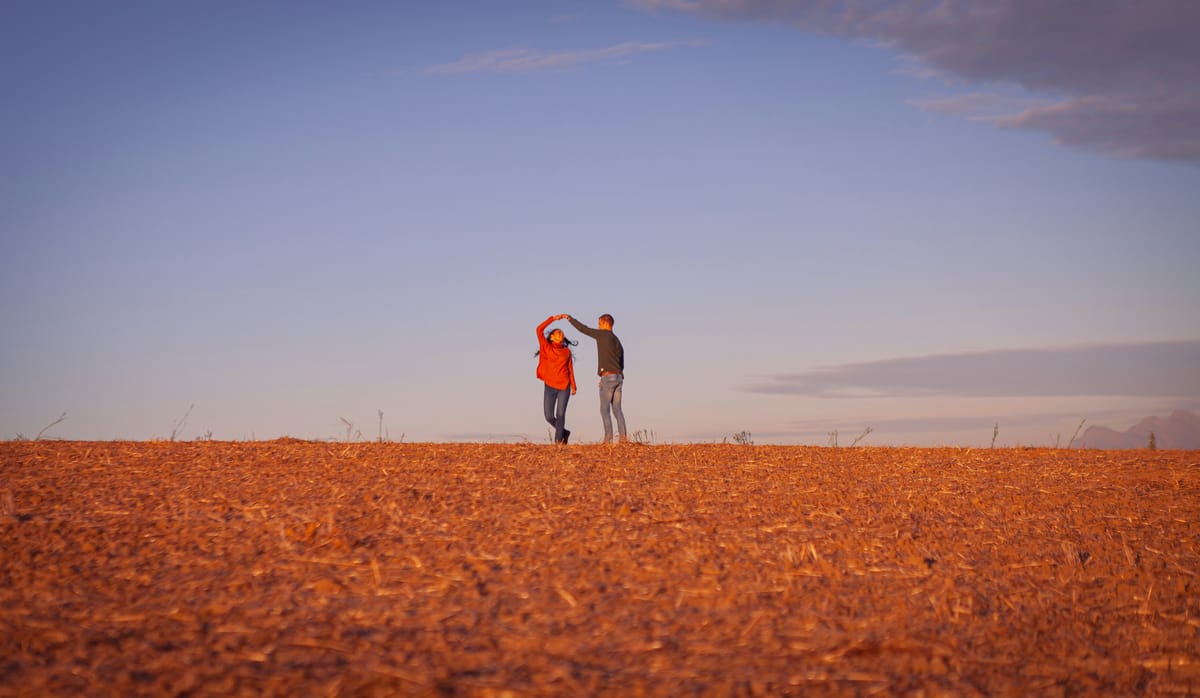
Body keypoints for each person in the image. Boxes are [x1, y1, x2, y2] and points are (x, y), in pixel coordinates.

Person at [567, 313, 626, 444]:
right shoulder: (617, 341)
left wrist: (570, 319)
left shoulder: (602, 334)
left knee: (604, 409)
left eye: (599, 324)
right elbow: (622, 361)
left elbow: (584, 329)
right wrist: (618, 374)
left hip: (608, 377)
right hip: (618, 377)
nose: (598, 327)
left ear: (605, 323)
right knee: (617, 409)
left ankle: (608, 438)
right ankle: (623, 438)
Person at [535, 314, 577, 444]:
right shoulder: (546, 347)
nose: (561, 334)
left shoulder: (566, 352)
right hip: (549, 386)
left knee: (560, 415)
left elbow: (570, 368)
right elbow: (539, 329)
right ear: (552, 337)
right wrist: (553, 319)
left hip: (564, 386)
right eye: (558, 332)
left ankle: (558, 442)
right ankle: (564, 432)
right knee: (548, 416)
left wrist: (573, 385)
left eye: (562, 333)